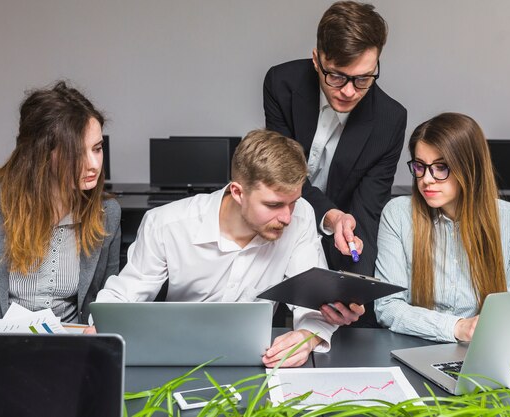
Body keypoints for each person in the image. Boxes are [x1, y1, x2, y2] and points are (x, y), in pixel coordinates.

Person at [93, 129, 364, 367]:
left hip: (259, 361)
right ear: (237, 192)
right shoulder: (166, 224)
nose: (287, 217)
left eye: (292, 202)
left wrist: (306, 337)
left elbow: (312, 302)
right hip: (178, 358)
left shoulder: (301, 217)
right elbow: (124, 296)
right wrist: (98, 330)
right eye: (273, 205)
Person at [263, 1, 407, 283]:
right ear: (317, 60)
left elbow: (366, 212)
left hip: (341, 240)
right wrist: (330, 215)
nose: (350, 91)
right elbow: (281, 176)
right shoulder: (281, 83)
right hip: (278, 219)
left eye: (364, 78)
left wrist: (357, 287)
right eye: (337, 76)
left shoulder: (391, 120)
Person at [0, 81, 121, 325]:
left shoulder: (107, 213)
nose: (94, 164)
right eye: (77, 152)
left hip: (68, 344)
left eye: (97, 148)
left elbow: (108, 296)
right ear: (41, 154)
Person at [374, 112, 510, 342]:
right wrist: (457, 328)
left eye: (440, 167)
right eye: (420, 166)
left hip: (485, 345)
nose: (426, 179)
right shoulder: (398, 214)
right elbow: (387, 307)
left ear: (469, 168)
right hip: (415, 344)